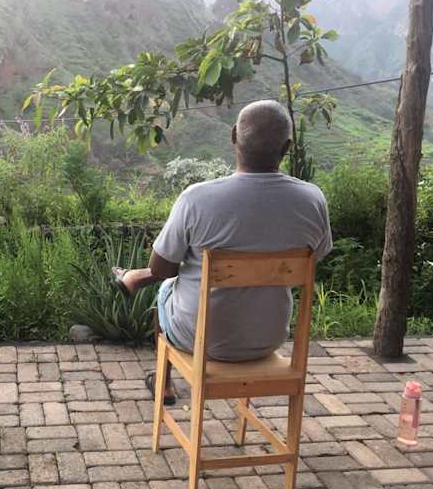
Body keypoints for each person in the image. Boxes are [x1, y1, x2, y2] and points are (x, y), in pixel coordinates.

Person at [113, 100, 332, 404]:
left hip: (200, 340)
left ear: (233, 136)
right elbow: (314, 259)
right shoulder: (312, 200)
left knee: (165, 288)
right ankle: (136, 280)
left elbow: (162, 268)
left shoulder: (197, 199)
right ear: (286, 148)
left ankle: (164, 382)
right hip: (268, 339)